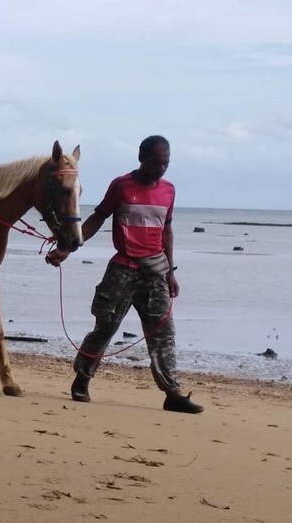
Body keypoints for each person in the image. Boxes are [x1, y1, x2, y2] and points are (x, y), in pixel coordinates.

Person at [46, 135, 203, 414]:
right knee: (105, 327)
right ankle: (82, 379)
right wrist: (68, 248)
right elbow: (98, 218)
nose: (161, 168)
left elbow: (166, 231)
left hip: (156, 272)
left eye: (166, 163)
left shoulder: (169, 190)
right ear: (141, 158)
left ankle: (173, 393)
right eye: (156, 162)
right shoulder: (121, 186)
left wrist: (171, 272)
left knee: (164, 332)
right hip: (123, 269)